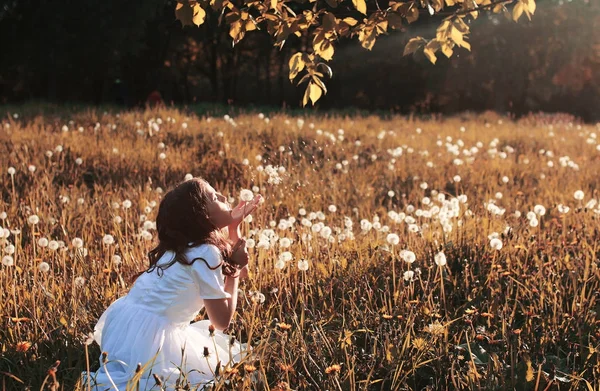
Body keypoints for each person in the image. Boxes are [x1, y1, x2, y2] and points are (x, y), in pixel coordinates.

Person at [84, 178, 262, 390]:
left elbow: (243, 272)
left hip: (124, 327)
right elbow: (222, 321)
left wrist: (234, 229)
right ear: (202, 216)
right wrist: (232, 271)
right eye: (215, 197)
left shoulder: (181, 246)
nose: (224, 198)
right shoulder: (207, 252)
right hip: (151, 341)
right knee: (194, 373)